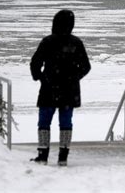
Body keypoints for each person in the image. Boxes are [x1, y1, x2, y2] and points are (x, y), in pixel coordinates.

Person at [30, 9, 91, 166]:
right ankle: (63, 157)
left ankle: (43, 156)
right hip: (69, 90)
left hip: (49, 88)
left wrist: (40, 77)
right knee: (66, 123)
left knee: (44, 122)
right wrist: (74, 77)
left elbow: (35, 63)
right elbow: (86, 66)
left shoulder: (48, 41)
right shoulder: (76, 43)